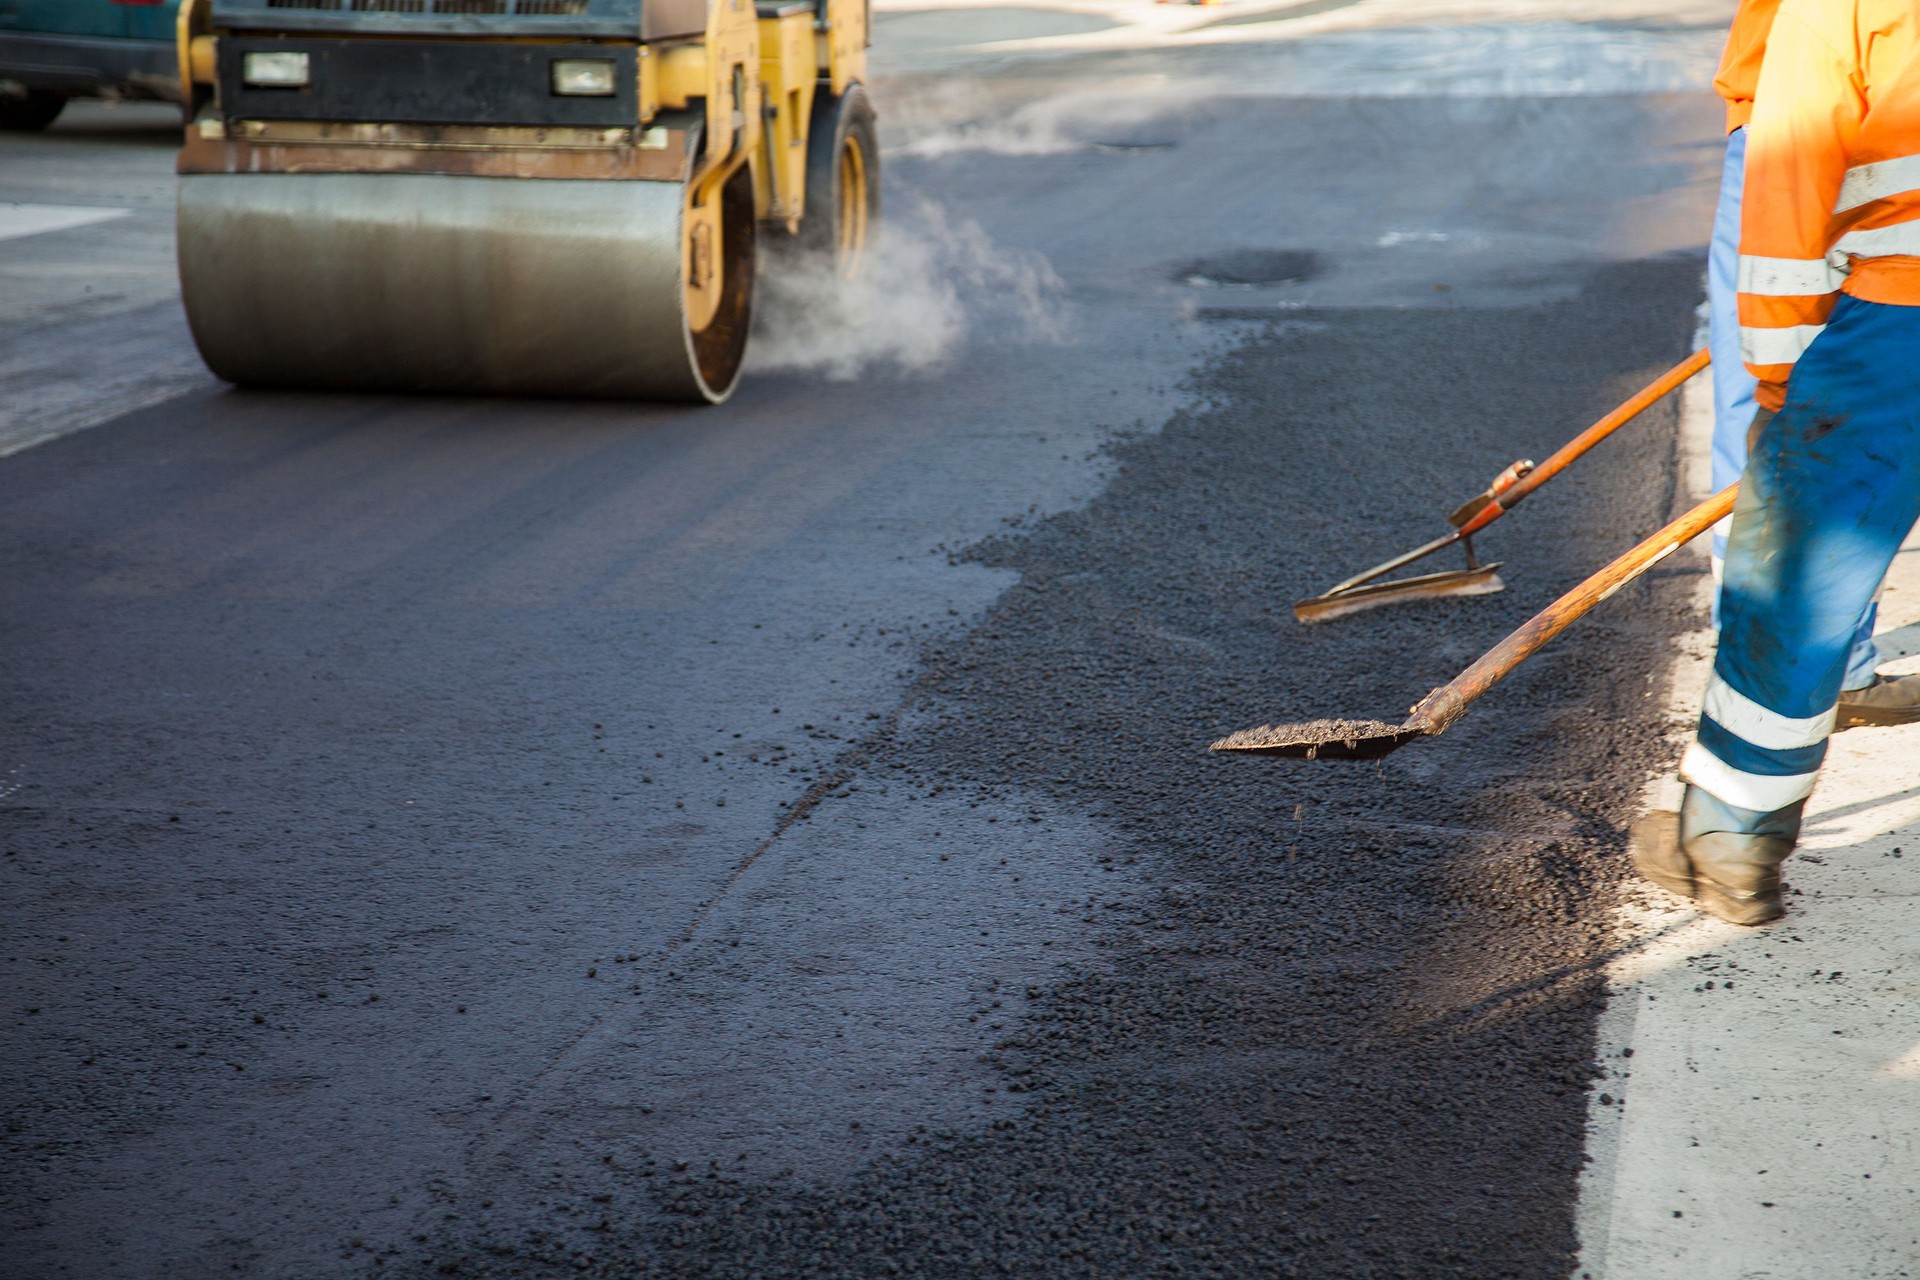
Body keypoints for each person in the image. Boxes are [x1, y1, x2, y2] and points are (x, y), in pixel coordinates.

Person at [1633, 0, 1920, 925]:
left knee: (1799, 563)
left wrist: (1774, 384)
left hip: (1900, 314)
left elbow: (1791, 188)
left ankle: (1730, 833)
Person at [1707, 0, 1920, 729]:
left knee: (1770, 376)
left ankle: (1765, 659)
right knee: (1802, 404)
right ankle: (1800, 664)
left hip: (1807, 107)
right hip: (1819, 119)